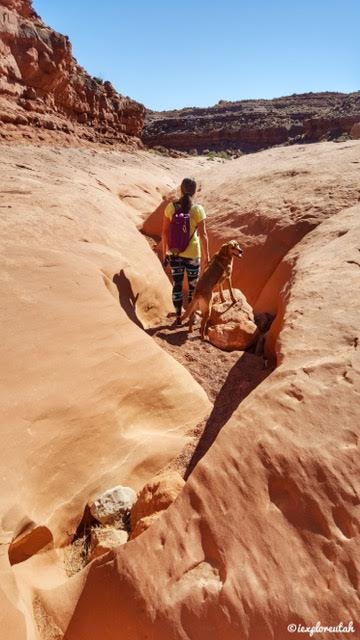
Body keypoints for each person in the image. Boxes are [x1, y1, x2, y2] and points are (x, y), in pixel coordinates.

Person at [161, 177, 210, 326]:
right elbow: (203, 235)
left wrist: (164, 253)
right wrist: (207, 255)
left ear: (181, 189)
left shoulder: (171, 207)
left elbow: (164, 233)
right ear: (195, 191)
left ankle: (178, 316)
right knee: (193, 286)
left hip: (175, 253)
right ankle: (192, 316)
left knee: (176, 284)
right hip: (193, 254)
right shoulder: (197, 209)